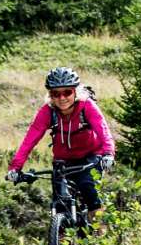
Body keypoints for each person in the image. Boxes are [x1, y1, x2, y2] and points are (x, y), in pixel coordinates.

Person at [6, 67, 115, 233]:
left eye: (67, 92)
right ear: (51, 96)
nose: (62, 97)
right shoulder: (48, 112)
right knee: (60, 202)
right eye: (56, 94)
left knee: (87, 187)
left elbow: (104, 131)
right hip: (64, 161)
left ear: (75, 92)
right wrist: (15, 167)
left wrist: (108, 154)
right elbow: (29, 141)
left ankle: (102, 242)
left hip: (92, 155)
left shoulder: (87, 107)